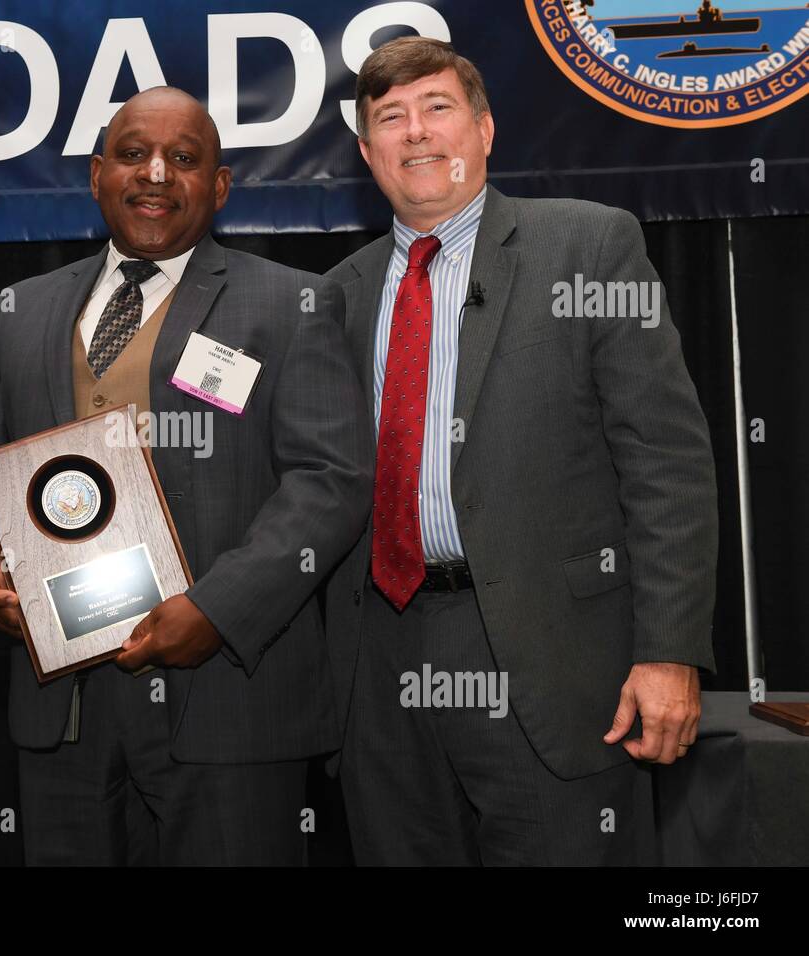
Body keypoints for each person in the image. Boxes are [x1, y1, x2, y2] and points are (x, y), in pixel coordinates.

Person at [0, 87, 370, 865]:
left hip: (228, 700)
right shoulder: (21, 310)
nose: (156, 175)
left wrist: (215, 611)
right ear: (98, 172)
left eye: (185, 158)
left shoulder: (292, 303)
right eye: (133, 154)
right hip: (61, 710)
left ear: (221, 185)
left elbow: (329, 481)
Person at [323, 37, 719, 865]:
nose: (417, 132)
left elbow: (667, 464)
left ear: (486, 129)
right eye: (390, 118)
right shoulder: (336, 295)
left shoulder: (588, 246)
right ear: (367, 153)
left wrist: (668, 651)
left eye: (437, 108)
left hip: (554, 661)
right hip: (380, 664)